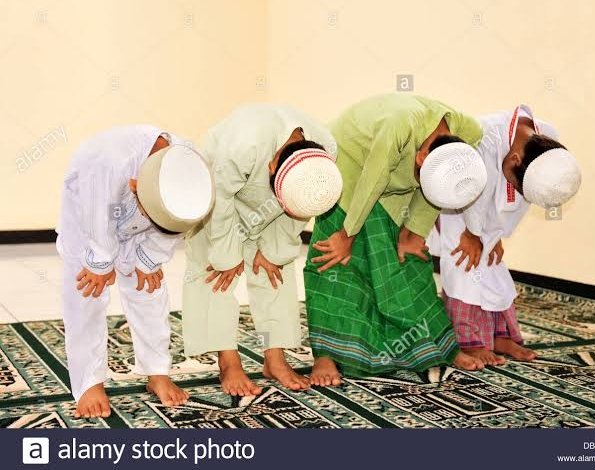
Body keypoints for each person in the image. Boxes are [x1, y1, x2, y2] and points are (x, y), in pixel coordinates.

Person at [304, 93, 489, 386]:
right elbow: (374, 178)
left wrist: (414, 231)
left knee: (408, 261)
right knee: (335, 259)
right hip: (349, 166)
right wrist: (347, 233)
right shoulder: (399, 125)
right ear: (421, 157)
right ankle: (326, 355)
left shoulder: (469, 134)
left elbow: (441, 187)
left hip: (396, 184)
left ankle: (442, 347)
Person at [182, 103, 341, 397]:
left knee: (273, 271)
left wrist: (273, 250)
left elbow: (306, 204)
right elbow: (220, 201)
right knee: (216, 275)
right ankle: (228, 362)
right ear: (272, 165)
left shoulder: (325, 153)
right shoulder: (243, 146)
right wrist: (228, 256)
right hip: (219, 195)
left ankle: (274, 359)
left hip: (278, 208)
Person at [56, 126, 214, 418]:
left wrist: (150, 257)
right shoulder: (107, 161)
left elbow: (182, 220)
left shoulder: (191, 166)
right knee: (87, 293)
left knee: (149, 288)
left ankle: (157, 372)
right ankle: (90, 382)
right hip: (86, 221)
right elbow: (97, 217)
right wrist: (101, 262)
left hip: (145, 227)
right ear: (134, 185)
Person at [429, 105, 581, 365]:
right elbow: (474, 195)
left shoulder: (547, 139)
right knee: (463, 265)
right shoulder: (484, 136)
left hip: (486, 212)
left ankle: (500, 336)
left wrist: (495, 235)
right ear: (514, 160)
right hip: (458, 201)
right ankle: (468, 342)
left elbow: (523, 196)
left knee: (492, 266)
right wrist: (472, 234)